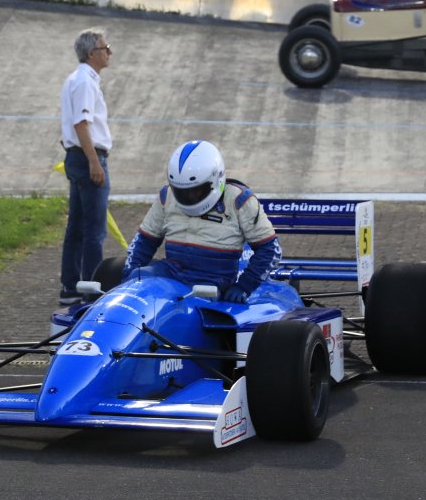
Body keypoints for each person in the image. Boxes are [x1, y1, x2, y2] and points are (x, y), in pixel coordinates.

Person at [120, 140, 280, 303]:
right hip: (170, 272)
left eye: (195, 191)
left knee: (186, 305)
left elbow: (270, 249)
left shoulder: (240, 200)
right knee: (136, 278)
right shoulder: (166, 195)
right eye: (182, 191)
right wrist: (129, 276)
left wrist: (244, 286)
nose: (189, 196)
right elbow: (145, 240)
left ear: (215, 180)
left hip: (212, 282)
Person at [58, 29, 112, 306]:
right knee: (93, 230)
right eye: (105, 48)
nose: (109, 52)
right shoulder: (85, 82)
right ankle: (91, 290)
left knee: (77, 227)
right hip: (88, 157)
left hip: (76, 155)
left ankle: (71, 286)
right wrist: (93, 161)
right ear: (92, 53)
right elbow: (81, 123)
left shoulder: (75, 79)